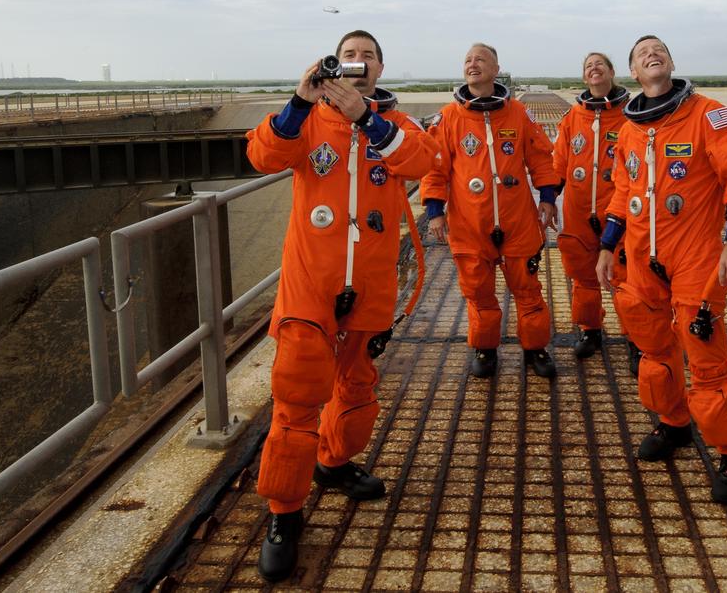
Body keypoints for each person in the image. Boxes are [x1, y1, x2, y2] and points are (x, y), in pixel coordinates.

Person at [245, 30, 437, 582]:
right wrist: (301, 100)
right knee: (299, 389)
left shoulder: (395, 126)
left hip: (371, 284)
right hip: (311, 282)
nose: (357, 64)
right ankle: (283, 512)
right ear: (333, 65)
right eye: (348, 56)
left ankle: (332, 462)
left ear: (379, 70)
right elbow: (262, 155)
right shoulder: (305, 123)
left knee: (356, 385)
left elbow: (421, 163)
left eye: (367, 56)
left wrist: (366, 120)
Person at [595, 35, 727, 505]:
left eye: (660, 49)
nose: (653, 53)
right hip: (642, 258)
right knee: (652, 351)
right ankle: (673, 423)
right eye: (643, 52)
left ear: (670, 62)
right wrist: (608, 247)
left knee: (705, 357)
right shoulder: (629, 130)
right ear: (632, 72)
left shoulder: (708, 115)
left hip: (695, 257)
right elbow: (621, 191)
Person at [422, 43, 560, 379]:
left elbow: (541, 156)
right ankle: (485, 349)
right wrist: (435, 210)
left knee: (528, 290)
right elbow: (435, 166)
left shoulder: (517, 114)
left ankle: (535, 349)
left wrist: (547, 196)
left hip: (518, 221)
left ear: (496, 69)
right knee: (479, 292)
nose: (473, 64)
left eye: (481, 59)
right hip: (470, 223)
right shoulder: (449, 118)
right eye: (468, 60)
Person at [551, 52, 638, 367]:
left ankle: (638, 338)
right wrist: (549, 199)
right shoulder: (574, 117)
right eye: (588, 65)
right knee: (583, 277)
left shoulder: (631, 115)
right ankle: (590, 330)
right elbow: (559, 162)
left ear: (613, 72)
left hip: (619, 209)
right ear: (585, 78)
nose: (594, 68)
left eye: (600, 63)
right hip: (578, 211)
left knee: (628, 278)